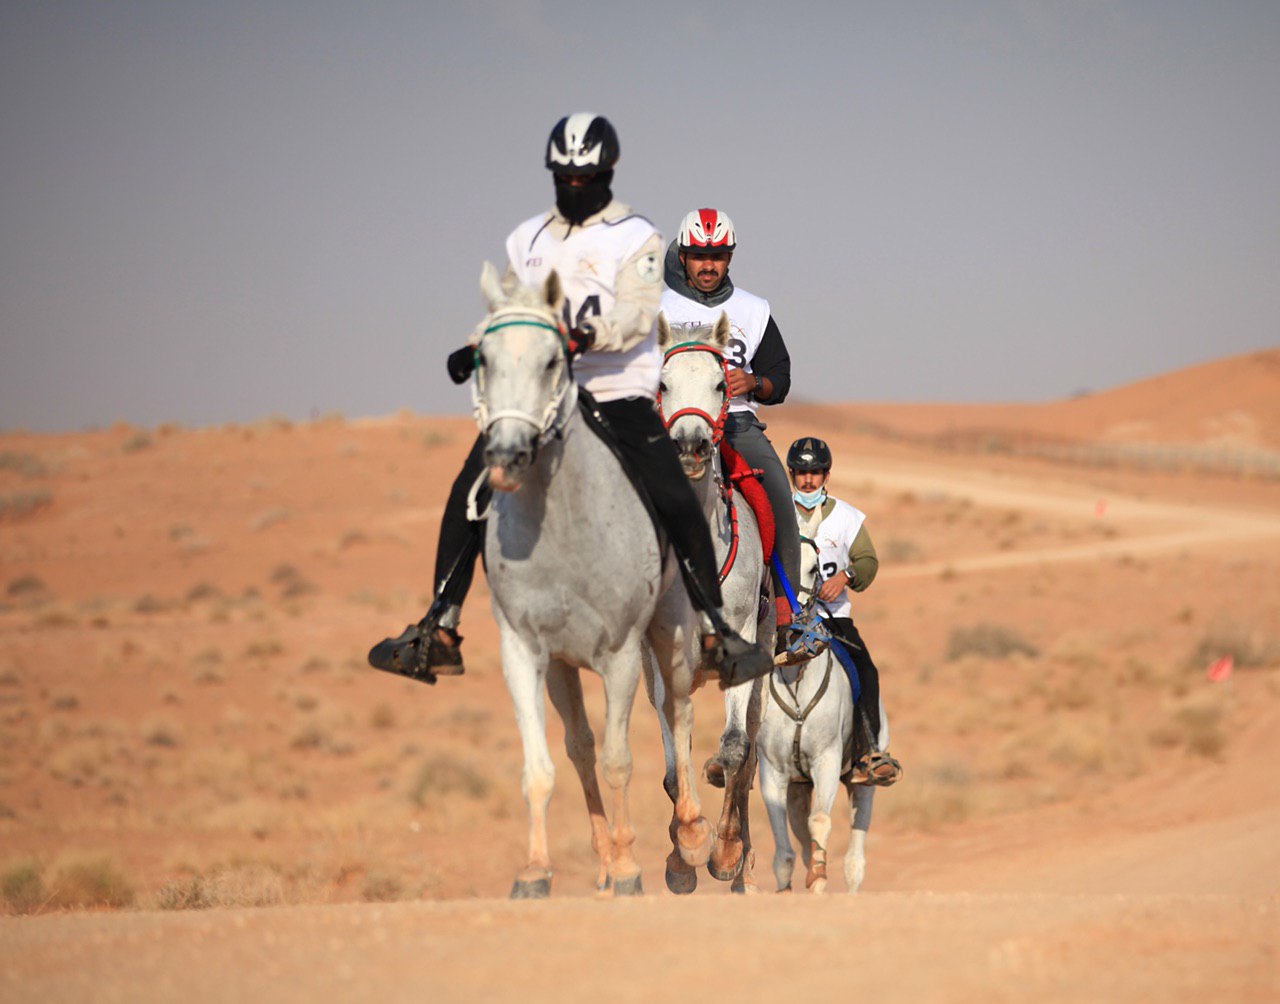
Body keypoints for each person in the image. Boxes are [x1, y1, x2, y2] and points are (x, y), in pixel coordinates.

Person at [369, 113, 768, 683]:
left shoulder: (638, 238)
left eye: (587, 177)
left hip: (615, 387)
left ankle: (716, 630)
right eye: (565, 177)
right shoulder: (528, 239)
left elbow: (635, 314)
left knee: (674, 486)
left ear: (609, 172)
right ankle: (439, 625)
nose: (575, 187)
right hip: (546, 391)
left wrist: (587, 336)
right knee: (472, 481)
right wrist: (475, 345)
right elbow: (512, 308)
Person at [659, 209, 802, 648]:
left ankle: (788, 614)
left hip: (734, 420)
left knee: (778, 494)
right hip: (669, 420)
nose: (708, 264)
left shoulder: (753, 310)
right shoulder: (656, 308)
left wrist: (754, 382)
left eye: (717, 255)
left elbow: (780, 376)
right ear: (683, 257)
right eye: (700, 255)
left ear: (730, 256)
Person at [787, 436, 903, 786]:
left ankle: (869, 754)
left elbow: (868, 559)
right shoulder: (779, 512)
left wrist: (847, 576)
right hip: (786, 618)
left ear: (827, 475)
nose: (809, 480)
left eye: (816, 473)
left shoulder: (848, 517)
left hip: (833, 618)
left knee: (866, 671)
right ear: (792, 474)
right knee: (748, 666)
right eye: (802, 473)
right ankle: (737, 752)